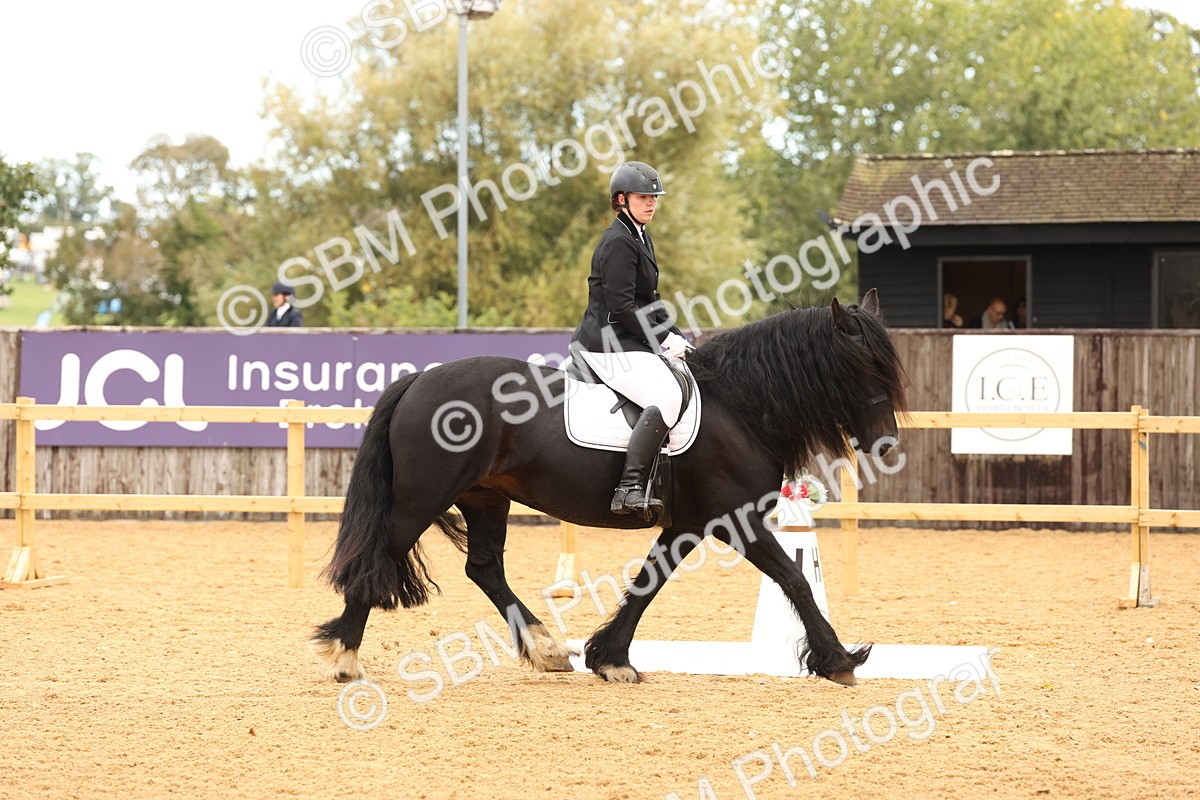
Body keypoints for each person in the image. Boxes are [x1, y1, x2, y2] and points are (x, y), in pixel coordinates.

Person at [571, 161, 689, 518]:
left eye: (654, 197)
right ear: (621, 199)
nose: (651, 203)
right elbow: (622, 307)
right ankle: (629, 487)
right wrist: (660, 338)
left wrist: (678, 336)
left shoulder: (640, 234)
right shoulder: (618, 241)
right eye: (643, 197)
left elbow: (650, 298)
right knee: (667, 395)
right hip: (605, 344)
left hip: (627, 340)